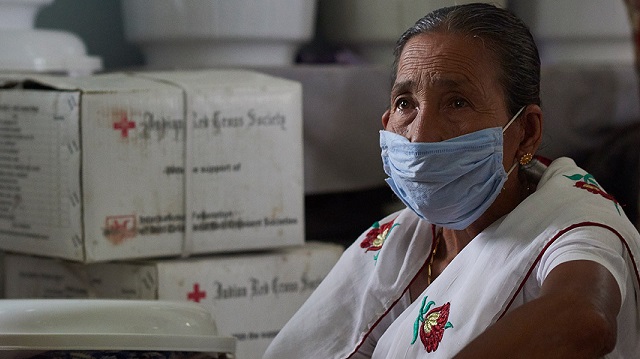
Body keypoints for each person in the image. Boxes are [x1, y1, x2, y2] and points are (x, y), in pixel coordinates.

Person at [263, 3, 640, 358]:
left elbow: (586, 316)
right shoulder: (393, 242)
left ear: (525, 132)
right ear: (386, 124)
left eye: (457, 102)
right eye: (405, 103)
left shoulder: (574, 222)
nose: (421, 133)